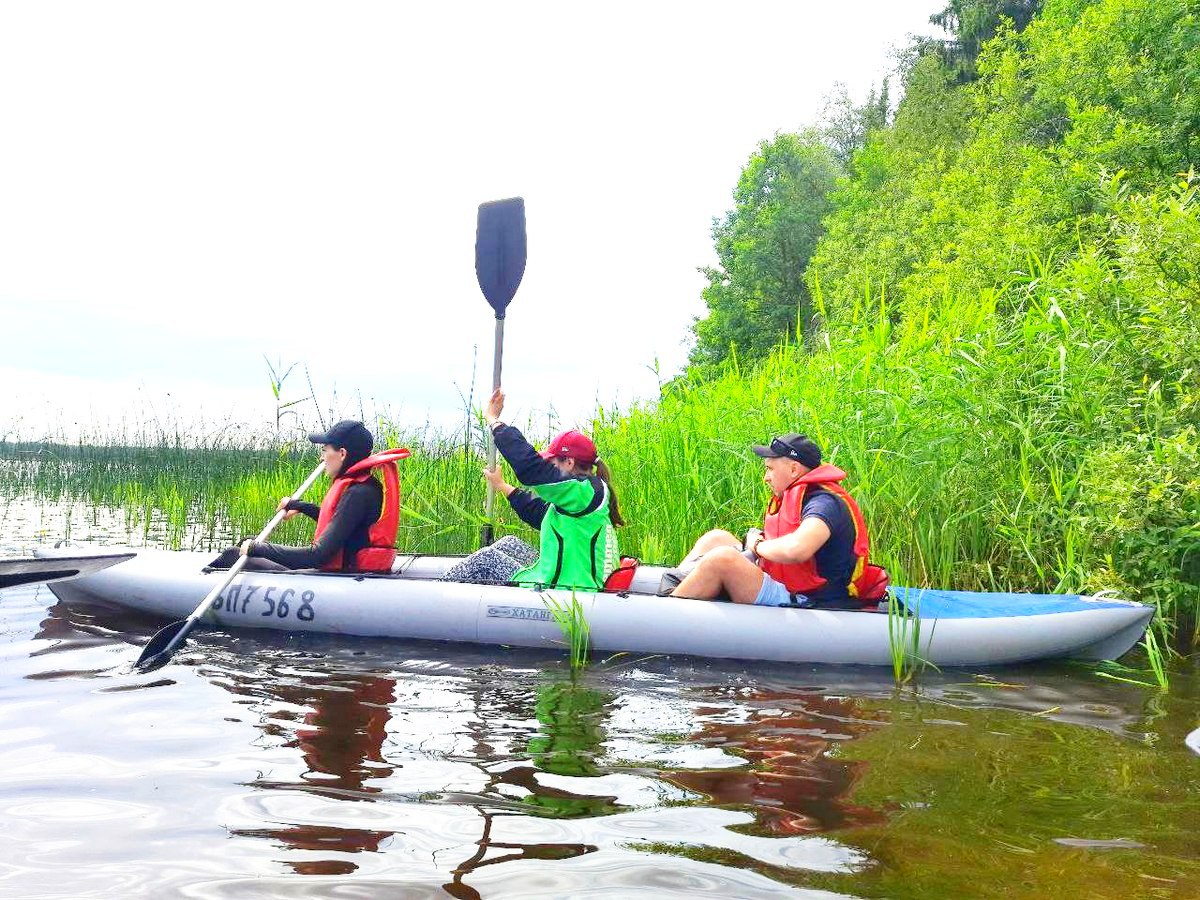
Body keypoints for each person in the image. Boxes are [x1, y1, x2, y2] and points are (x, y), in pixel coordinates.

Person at [669, 433, 887, 608]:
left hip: (809, 600)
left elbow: (797, 550)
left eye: (770, 469)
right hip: (783, 581)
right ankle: (675, 589)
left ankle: (668, 616)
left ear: (793, 469)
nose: (766, 477)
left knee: (722, 559)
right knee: (716, 539)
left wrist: (756, 545)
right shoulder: (797, 496)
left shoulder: (824, 503)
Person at [442, 388, 624, 590]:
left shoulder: (583, 492)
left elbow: (531, 468)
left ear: (569, 463)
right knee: (508, 542)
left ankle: (433, 598)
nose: (549, 468)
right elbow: (540, 513)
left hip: (575, 590)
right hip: (574, 580)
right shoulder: (585, 495)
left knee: (486, 559)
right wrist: (503, 486)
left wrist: (493, 420)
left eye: (552, 462)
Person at [210, 420, 402, 573]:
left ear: (342, 454)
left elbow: (318, 556)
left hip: (342, 575)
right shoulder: (366, 485)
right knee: (250, 540)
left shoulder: (357, 493)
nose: (321, 458)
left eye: (325, 450)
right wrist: (300, 506)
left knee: (232, 554)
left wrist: (257, 549)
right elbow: (343, 525)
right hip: (345, 566)